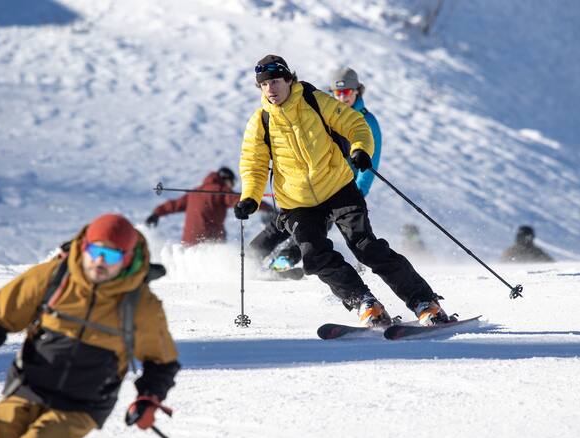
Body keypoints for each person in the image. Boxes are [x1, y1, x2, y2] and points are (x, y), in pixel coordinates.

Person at [234, 54, 453, 327]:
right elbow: (253, 164)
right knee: (315, 256)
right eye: (264, 85)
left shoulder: (314, 101)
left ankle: (425, 303)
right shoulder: (260, 121)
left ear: (289, 79)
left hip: (338, 188)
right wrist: (250, 198)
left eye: (276, 81)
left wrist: (361, 149)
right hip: (296, 202)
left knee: (366, 247)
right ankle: (364, 303)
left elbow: (355, 125)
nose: (271, 89)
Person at [0, 214, 180, 438]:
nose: (100, 261)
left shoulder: (140, 304)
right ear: (84, 247)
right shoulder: (54, 277)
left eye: (112, 255)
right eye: (95, 251)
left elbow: (162, 361)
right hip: (27, 387)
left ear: (127, 259)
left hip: (81, 405)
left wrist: (148, 398)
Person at [248, 66, 383, 271]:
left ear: (357, 91)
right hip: (304, 186)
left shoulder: (366, 121)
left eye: (346, 92)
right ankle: (249, 259)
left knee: (314, 234)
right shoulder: (321, 108)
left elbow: (372, 158)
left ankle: (282, 263)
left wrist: (359, 191)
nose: (342, 97)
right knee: (282, 224)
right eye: (337, 92)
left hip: (340, 187)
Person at [146, 166, 269, 246]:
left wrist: (157, 213)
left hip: (188, 243)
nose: (231, 187)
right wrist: (268, 208)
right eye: (232, 182)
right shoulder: (221, 191)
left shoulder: (194, 192)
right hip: (209, 242)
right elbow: (242, 200)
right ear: (225, 179)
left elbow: (174, 205)